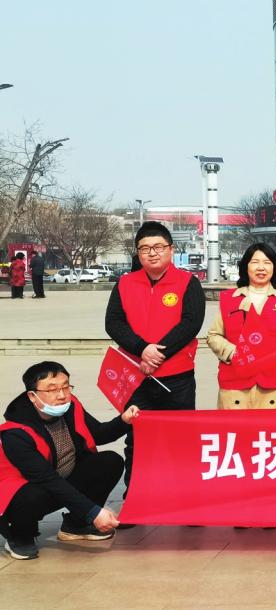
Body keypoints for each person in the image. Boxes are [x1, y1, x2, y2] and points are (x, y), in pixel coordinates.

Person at [0, 362, 140, 560]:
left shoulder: (70, 407)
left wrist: (124, 420)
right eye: (52, 389)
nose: (61, 395)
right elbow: (47, 479)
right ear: (32, 396)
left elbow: (98, 434)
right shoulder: (16, 434)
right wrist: (94, 512)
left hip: (60, 478)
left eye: (65, 386)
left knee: (109, 462)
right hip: (29, 493)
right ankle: (20, 535)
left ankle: (77, 525)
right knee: (32, 495)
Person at [104, 221, 204, 497]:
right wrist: (142, 349)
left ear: (171, 250)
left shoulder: (188, 283)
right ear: (138, 253)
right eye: (145, 248)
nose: (152, 253)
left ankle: (185, 495)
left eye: (158, 247)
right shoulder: (125, 283)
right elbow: (113, 323)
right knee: (137, 438)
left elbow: (191, 323)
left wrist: (157, 354)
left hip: (177, 377)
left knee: (181, 438)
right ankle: (136, 496)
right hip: (135, 375)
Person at [208, 243, 276, 409]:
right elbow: (213, 335)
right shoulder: (230, 299)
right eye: (255, 262)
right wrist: (234, 353)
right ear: (245, 266)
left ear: (274, 268)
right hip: (235, 385)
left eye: (267, 262)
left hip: (275, 386)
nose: (261, 268)